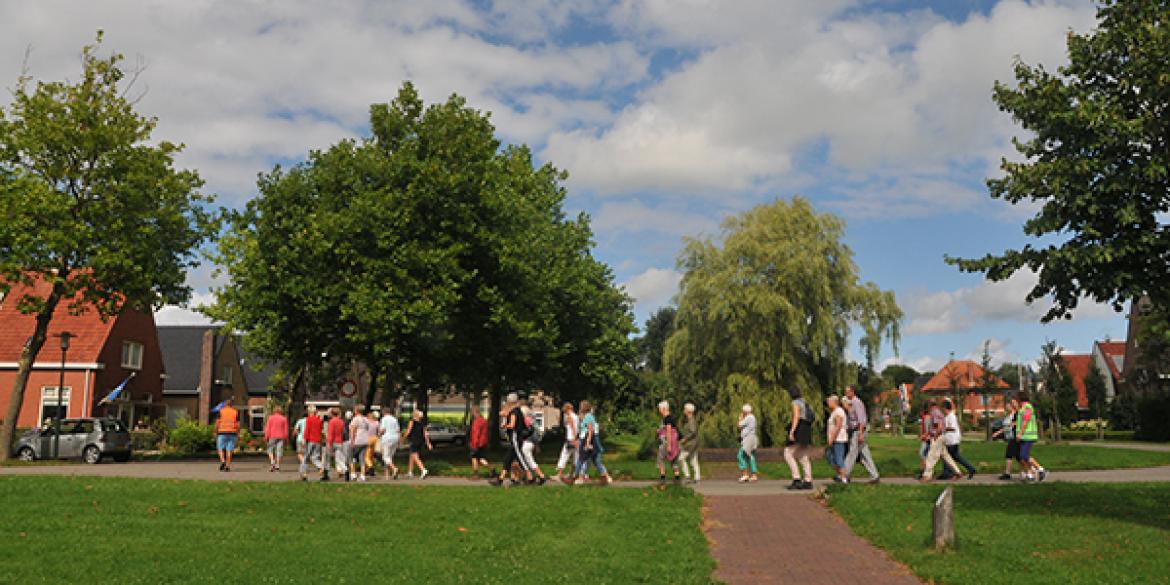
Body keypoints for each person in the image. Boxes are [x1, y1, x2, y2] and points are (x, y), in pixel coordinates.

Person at [841, 385, 881, 484]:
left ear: (852, 392)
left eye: (847, 392)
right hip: (855, 431)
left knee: (852, 452)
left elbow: (861, 420)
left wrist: (860, 434)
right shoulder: (851, 404)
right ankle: (874, 475)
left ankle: (843, 474)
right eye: (845, 392)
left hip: (858, 431)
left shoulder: (857, 403)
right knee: (865, 455)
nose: (846, 393)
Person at [491, 393, 533, 487]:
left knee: (520, 459)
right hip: (515, 439)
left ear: (510, 401)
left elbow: (512, 425)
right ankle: (500, 480)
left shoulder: (514, 412)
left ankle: (530, 477)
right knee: (507, 460)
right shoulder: (517, 410)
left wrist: (504, 425)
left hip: (515, 439)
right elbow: (504, 413)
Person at [919, 401, 962, 483]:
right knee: (946, 456)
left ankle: (927, 475)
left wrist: (935, 435)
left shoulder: (934, 413)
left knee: (931, 456)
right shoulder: (938, 412)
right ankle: (957, 472)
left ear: (930, 407)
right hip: (940, 436)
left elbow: (938, 425)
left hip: (937, 437)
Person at [574, 400, 614, 485]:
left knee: (582, 460)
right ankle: (606, 477)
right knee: (595, 461)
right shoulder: (586, 417)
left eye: (581, 406)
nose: (580, 408)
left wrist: (588, 443)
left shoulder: (588, 417)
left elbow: (590, 430)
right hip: (586, 440)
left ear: (584, 407)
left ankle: (578, 478)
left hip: (588, 441)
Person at [784, 390, 815, 490]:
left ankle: (796, 479)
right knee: (803, 455)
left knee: (788, 453)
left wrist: (792, 432)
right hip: (807, 429)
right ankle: (808, 480)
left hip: (800, 428)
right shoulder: (804, 402)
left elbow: (796, 417)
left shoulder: (795, 403)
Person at [939, 400, 977, 480]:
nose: (941, 410)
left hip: (952, 440)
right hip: (949, 440)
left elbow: (952, 428)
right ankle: (971, 469)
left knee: (948, 456)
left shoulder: (951, 416)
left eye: (942, 408)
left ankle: (947, 473)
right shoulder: (947, 416)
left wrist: (943, 430)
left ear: (945, 408)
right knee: (954, 457)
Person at [1015, 393, 1048, 482]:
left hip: (1028, 436)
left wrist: (1020, 433)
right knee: (1022, 457)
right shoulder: (1022, 408)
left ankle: (1040, 469)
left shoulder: (1027, 407)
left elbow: (1026, 420)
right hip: (1024, 436)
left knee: (1024, 456)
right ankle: (1030, 474)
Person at [519, 400, 549, 485]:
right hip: (531, 442)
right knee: (526, 460)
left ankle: (541, 476)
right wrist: (537, 444)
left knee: (529, 460)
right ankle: (529, 477)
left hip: (527, 442)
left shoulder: (526, 420)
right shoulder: (532, 419)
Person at [992, 399, 1019, 480]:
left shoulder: (1016, 415)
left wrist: (998, 433)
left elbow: (1011, 426)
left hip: (1014, 437)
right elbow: (1005, 427)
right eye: (1006, 406)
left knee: (1009, 455)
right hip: (1010, 438)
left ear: (1012, 406)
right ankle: (1032, 470)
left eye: (1008, 406)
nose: (1006, 408)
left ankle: (1008, 473)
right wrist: (998, 433)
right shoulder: (1008, 416)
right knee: (1019, 457)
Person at [656, 401, 682, 484]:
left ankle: (662, 477)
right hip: (672, 442)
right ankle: (677, 477)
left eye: (659, 409)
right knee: (673, 460)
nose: (659, 410)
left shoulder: (667, 419)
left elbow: (668, 431)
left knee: (660, 459)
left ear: (663, 409)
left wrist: (669, 445)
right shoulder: (670, 418)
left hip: (667, 442)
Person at [826, 395, 849, 483]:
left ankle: (844, 479)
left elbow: (838, 426)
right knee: (830, 457)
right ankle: (839, 475)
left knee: (838, 459)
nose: (828, 403)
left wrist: (832, 438)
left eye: (829, 401)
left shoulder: (838, 411)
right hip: (835, 439)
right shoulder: (834, 412)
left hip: (839, 439)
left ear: (834, 402)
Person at [403, 410, 431, 479]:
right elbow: (425, 434)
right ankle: (410, 472)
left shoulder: (411, 422)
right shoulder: (422, 424)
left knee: (415, 456)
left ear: (415, 415)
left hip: (414, 441)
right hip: (420, 441)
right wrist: (428, 443)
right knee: (411, 456)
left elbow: (408, 431)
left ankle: (423, 470)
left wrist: (403, 438)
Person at [555, 402, 579, 483]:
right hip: (575, 439)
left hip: (571, 439)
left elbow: (573, 428)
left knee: (564, 456)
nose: (565, 413)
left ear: (568, 409)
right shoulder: (576, 416)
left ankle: (559, 475)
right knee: (575, 458)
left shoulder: (570, 417)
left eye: (565, 411)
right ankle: (572, 474)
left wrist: (574, 438)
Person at [215, 398, 241, 472]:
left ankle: (223, 461)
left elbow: (217, 423)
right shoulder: (235, 412)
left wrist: (215, 431)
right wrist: (238, 432)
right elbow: (238, 424)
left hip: (222, 432)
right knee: (229, 450)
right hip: (232, 432)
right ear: (231, 405)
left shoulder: (221, 411)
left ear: (225, 405)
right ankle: (227, 465)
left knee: (220, 448)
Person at [299, 405, 324, 481]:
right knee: (315, 457)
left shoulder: (309, 419)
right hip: (318, 440)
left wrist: (304, 439)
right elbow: (320, 430)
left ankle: (303, 474)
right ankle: (321, 467)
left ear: (309, 412)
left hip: (310, 440)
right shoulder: (319, 420)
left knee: (306, 458)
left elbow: (307, 430)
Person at [737, 404, 759, 483]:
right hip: (752, 438)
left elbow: (739, 425)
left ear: (745, 411)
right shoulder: (753, 417)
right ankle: (754, 475)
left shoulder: (748, 417)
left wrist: (740, 418)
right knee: (750, 456)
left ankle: (745, 474)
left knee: (740, 455)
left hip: (748, 439)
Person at [349, 406, 373, 481]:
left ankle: (353, 474)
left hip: (357, 440)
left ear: (356, 411)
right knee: (362, 458)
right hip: (365, 440)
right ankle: (362, 475)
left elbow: (353, 430)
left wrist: (352, 441)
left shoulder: (355, 419)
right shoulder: (366, 419)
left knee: (351, 457)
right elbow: (367, 428)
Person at [679, 403, 701, 484]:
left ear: (688, 411)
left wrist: (685, 439)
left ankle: (687, 476)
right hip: (694, 444)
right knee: (693, 460)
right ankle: (697, 477)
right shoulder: (690, 419)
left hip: (690, 444)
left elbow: (693, 431)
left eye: (684, 409)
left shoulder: (691, 420)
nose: (683, 411)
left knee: (681, 458)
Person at [325, 407, 348, 482]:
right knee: (338, 459)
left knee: (327, 459)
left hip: (332, 442)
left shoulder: (331, 421)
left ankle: (326, 475)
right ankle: (346, 470)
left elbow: (331, 433)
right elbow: (343, 432)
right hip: (339, 442)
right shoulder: (341, 421)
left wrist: (329, 443)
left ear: (332, 413)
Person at [264, 406, 289, 472]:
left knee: (270, 450)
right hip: (281, 437)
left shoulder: (270, 418)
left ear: (274, 411)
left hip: (272, 436)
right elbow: (286, 430)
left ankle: (272, 462)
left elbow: (268, 428)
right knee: (279, 451)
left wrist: (266, 437)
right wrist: (286, 438)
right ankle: (277, 465)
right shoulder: (284, 419)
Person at [379, 406, 401, 480]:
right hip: (395, 438)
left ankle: (394, 469)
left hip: (387, 438)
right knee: (390, 457)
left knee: (385, 457)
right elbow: (398, 430)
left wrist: (378, 435)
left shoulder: (384, 419)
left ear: (383, 412)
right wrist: (399, 441)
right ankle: (387, 475)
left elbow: (383, 430)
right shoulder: (395, 419)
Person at [469, 406, 490, 477]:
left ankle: (476, 474)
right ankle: (491, 469)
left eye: (472, 413)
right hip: (483, 442)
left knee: (474, 458)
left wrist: (474, 444)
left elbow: (476, 433)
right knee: (481, 458)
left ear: (474, 412)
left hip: (477, 443)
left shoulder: (477, 421)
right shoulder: (484, 420)